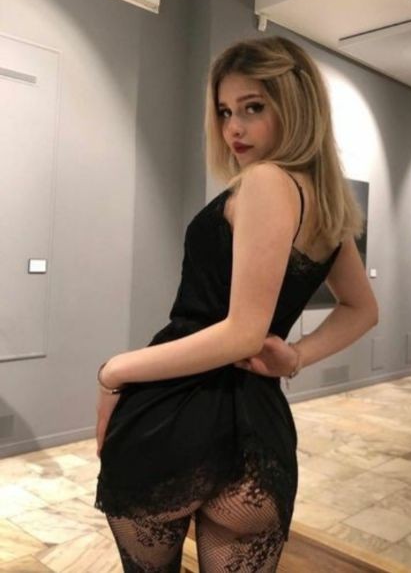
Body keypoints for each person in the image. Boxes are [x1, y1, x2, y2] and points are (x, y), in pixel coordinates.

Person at [94, 35, 378, 572]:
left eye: (253, 108)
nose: (234, 129)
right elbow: (362, 309)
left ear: (296, 106)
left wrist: (115, 371)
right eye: (225, 112)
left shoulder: (266, 181)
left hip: (176, 413)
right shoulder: (327, 207)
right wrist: (295, 357)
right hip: (257, 429)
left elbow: (242, 333)